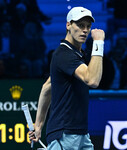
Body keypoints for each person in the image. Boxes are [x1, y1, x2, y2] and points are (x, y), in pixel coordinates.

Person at [29, 7, 105, 150]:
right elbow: (92, 80)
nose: (85, 30)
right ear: (68, 25)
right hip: (65, 135)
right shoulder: (64, 54)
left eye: (88, 26)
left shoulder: (75, 54)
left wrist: (38, 126)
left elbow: (47, 87)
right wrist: (99, 43)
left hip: (80, 134)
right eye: (80, 25)